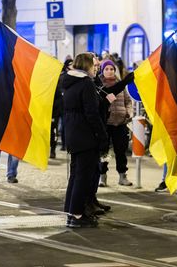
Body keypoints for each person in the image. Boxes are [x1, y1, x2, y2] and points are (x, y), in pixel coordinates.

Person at [62, 52, 108, 228]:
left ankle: (71, 212)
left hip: (73, 133)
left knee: (75, 175)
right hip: (85, 134)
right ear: (87, 65)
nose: (96, 69)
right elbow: (91, 113)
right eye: (94, 66)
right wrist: (102, 136)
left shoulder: (69, 82)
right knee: (83, 176)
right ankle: (78, 215)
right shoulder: (85, 83)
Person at [98, 60, 133, 186]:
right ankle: (102, 175)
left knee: (121, 151)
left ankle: (122, 176)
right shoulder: (99, 85)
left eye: (111, 69)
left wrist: (128, 113)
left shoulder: (120, 84)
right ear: (102, 70)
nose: (109, 71)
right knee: (104, 151)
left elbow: (128, 101)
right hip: (105, 124)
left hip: (120, 123)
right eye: (106, 69)